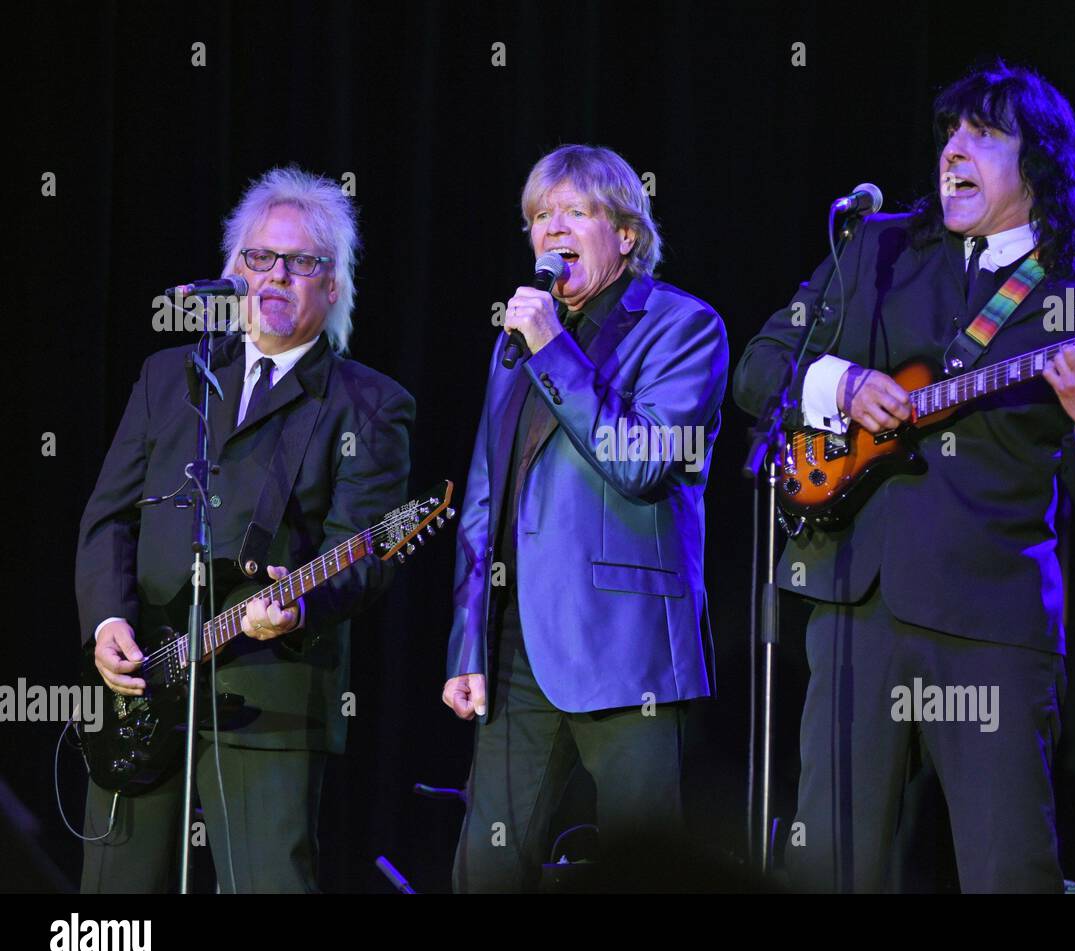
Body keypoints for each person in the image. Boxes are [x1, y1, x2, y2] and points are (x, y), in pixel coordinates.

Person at [733, 62, 1075, 892]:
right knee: (826, 870)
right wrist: (841, 384)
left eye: (982, 135)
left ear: (1040, 164)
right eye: (948, 134)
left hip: (991, 624)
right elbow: (758, 368)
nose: (953, 149)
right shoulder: (878, 247)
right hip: (858, 608)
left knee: (1010, 873)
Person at [76, 165, 415, 892]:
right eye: (260, 257)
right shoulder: (169, 376)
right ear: (234, 272)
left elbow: (366, 549)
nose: (277, 275)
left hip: (273, 695)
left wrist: (300, 603)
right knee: (111, 912)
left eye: (302, 262)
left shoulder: (371, 404)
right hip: (142, 682)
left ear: (333, 283)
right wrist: (107, 620)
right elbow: (109, 516)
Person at [444, 144, 728, 892]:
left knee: (645, 873)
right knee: (486, 871)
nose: (552, 228)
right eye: (540, 215)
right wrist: (466, 640)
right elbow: (484, 495)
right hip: (517, 651)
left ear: (626, 233)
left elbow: (640, 462)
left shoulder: (684, 327)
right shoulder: (517, 344)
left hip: (626, 649)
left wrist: (552, 347)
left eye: (575, 211)